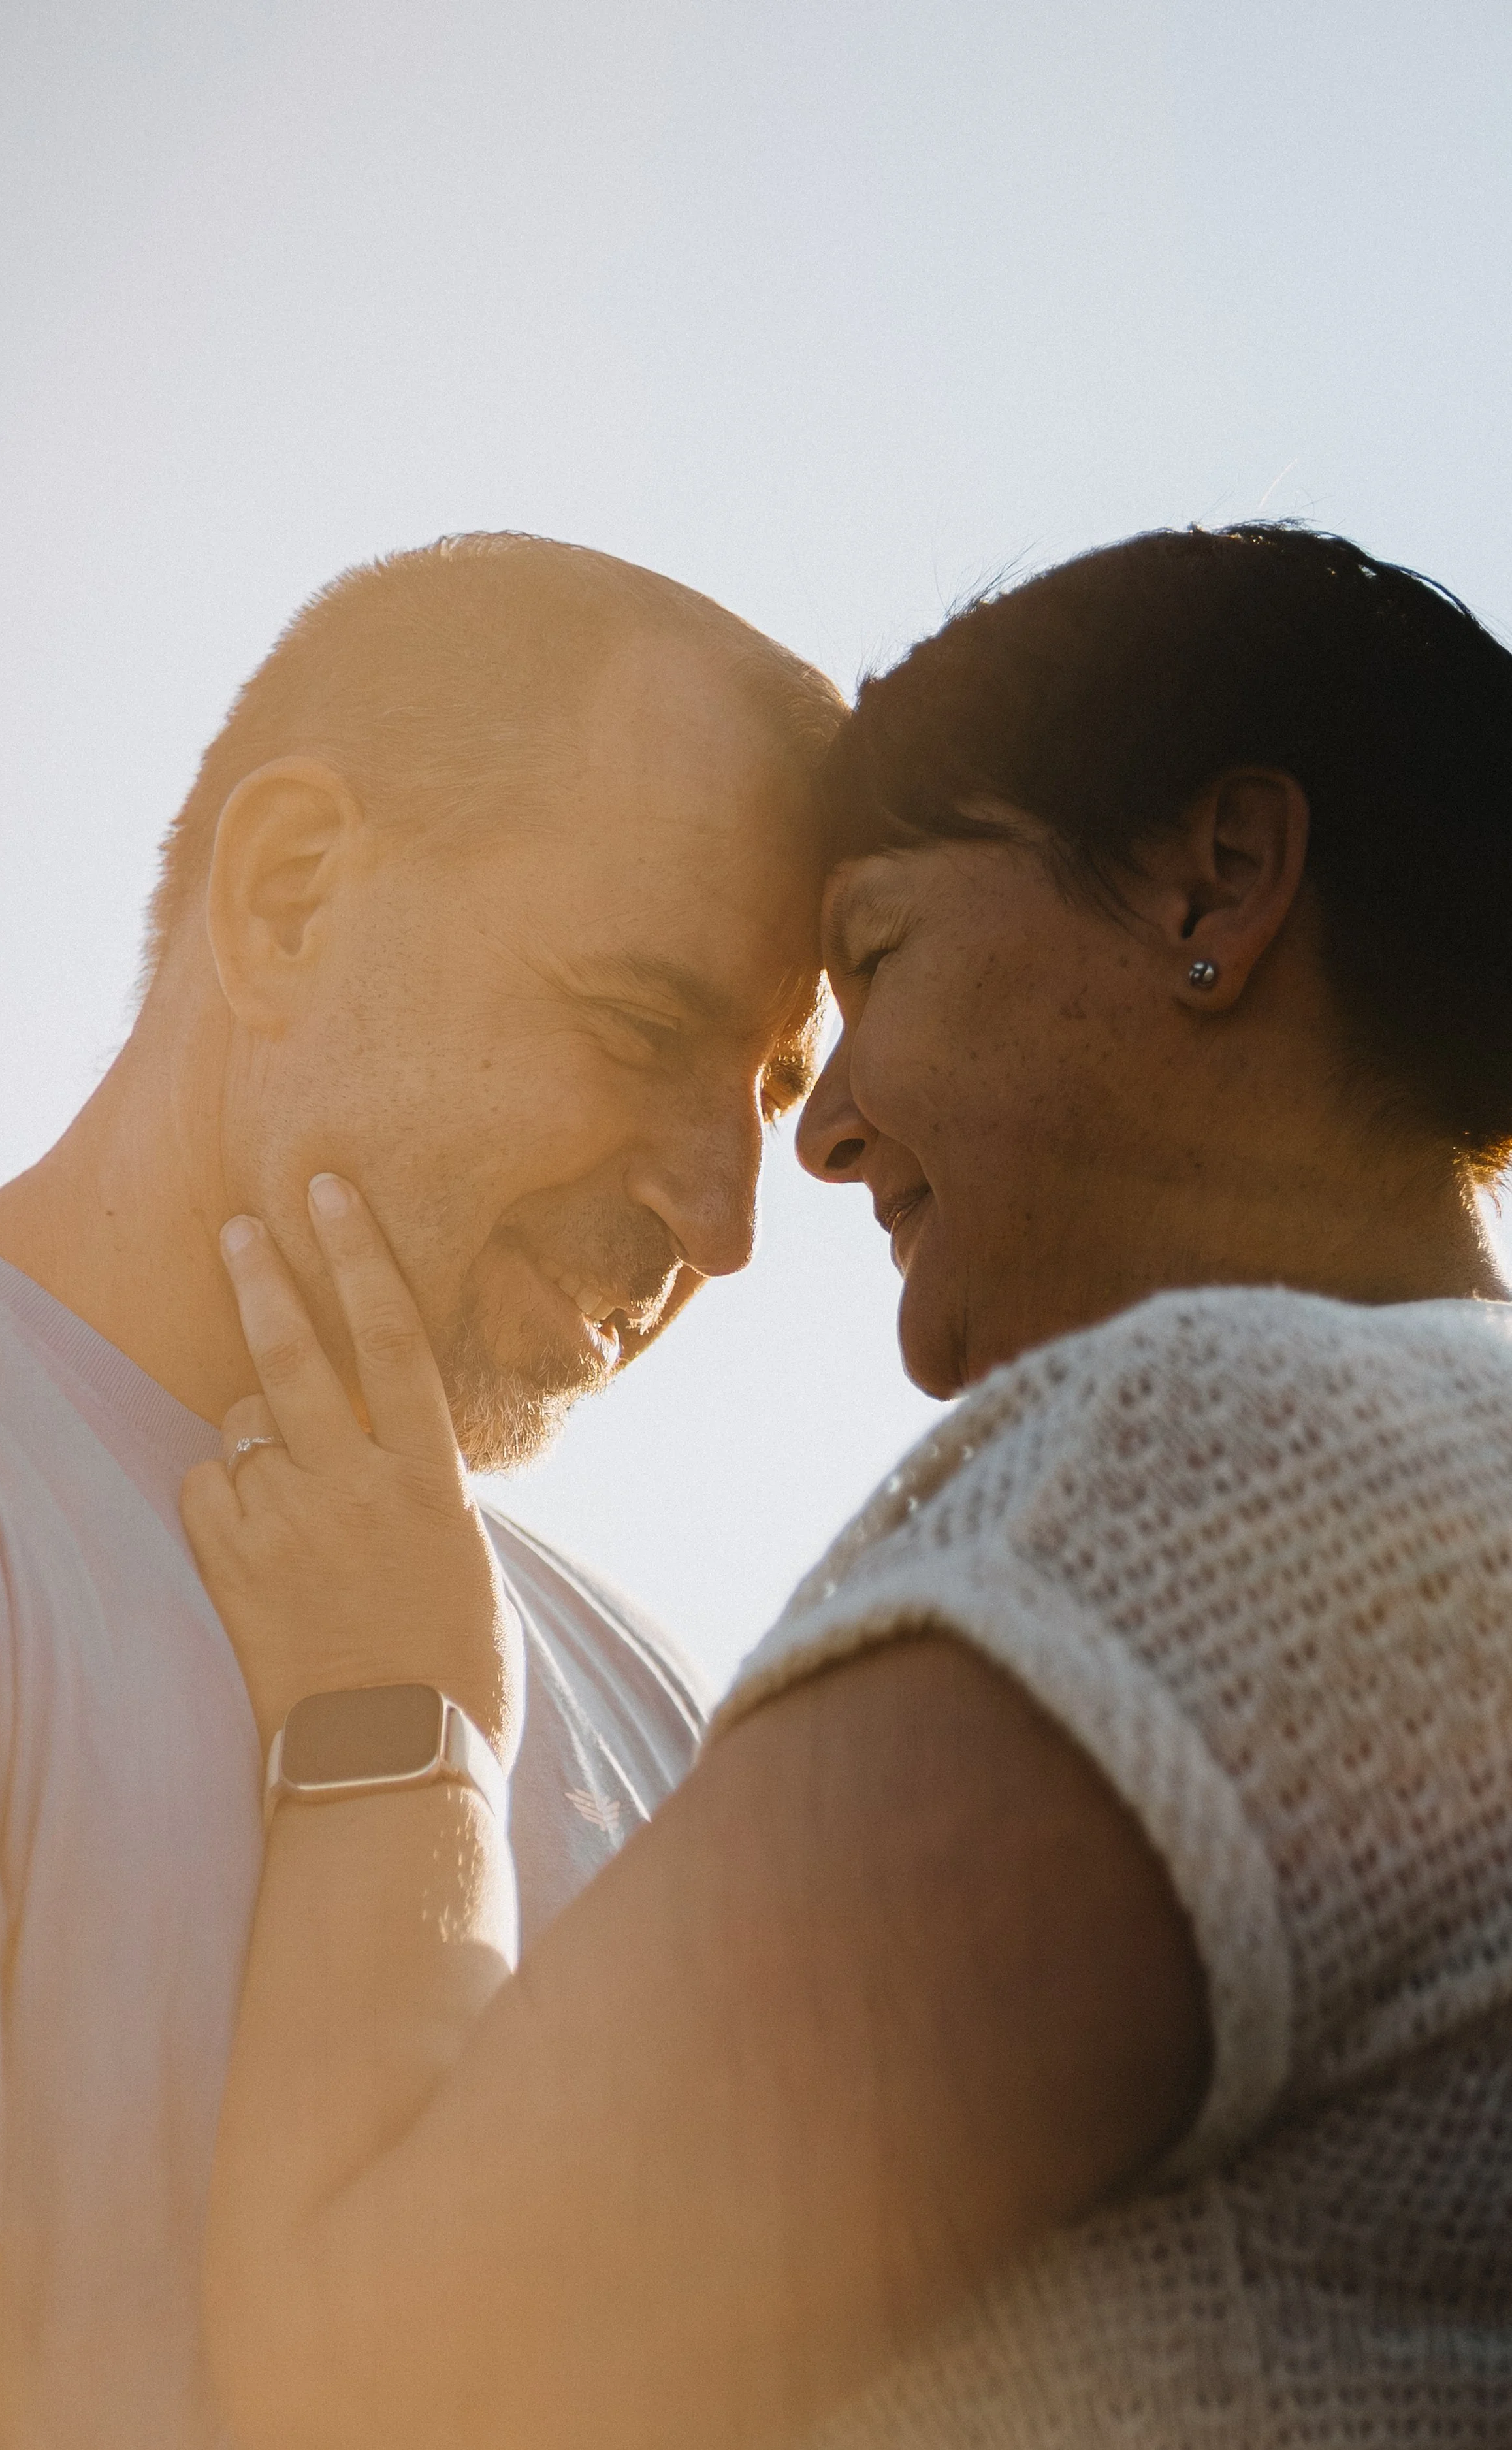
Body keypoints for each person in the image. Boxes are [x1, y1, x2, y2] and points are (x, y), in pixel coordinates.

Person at [192, 523, 1512, 2450]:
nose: (812, 1132)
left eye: (873, 955)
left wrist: (395, 1705)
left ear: (1210, 883)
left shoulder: (1230, 1462)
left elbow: (387, 2372)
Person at [0, 534, 842, 2447]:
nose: (724, 1222)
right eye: (646, 1031)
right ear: (290, 895)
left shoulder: (659, 1696)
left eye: (764, 1093)